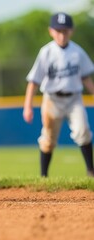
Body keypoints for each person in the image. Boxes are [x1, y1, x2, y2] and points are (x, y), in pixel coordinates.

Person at [23, 12, 94, 177]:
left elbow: (86, 78)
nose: (62, 35)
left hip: (74, 98)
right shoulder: (46, 52)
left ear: (71, 31)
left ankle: (91, 171)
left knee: (83, 131)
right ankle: (43, 176)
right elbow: (33, 81)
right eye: (58, 31)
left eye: (65, 31)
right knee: (48, 139)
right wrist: (28, 106)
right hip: (52, 99)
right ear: (51, 31)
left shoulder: (77, 52)